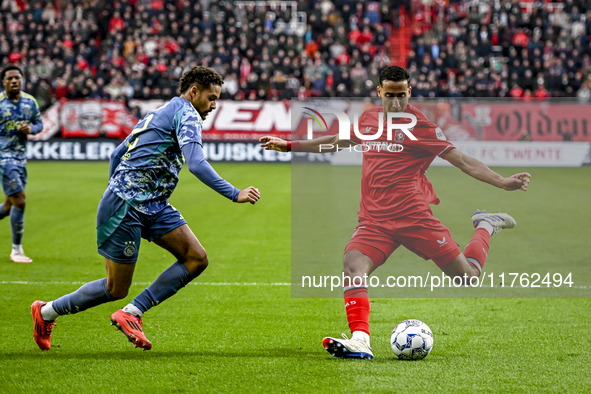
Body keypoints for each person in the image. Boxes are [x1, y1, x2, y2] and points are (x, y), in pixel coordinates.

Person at [260, 65, 531, 359]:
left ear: (409, 92)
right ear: (379, 92)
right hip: (374, 220)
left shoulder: (421, 126)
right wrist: (289, 145)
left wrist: (503, 182)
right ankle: (360, 340)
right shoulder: (368, 119)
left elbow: (463, 161)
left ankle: (486, 225)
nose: (396, 102)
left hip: (414, 218)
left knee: (467, 277)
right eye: (389, 95)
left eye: (402, 95)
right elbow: (338, 141)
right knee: (352, 266)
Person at [31, 66, 261, 351]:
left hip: (154, 205)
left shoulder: (160, 111)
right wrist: (234, 193)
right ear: (194, 92)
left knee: (196, 258)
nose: (214, 105)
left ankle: (132, 313)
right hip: (126, 206)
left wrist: (120, 186)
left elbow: (117, 153)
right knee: (115, 288)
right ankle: (45, 312)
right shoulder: (187, 113)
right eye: (211, 98)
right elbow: (197, 163)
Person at [0, 65, 44, 263]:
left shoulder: (30, 101)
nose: (14, 81)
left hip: (20, 158)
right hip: (3, 157)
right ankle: (16, 250)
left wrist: (32, 129)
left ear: (22, 79)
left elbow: (39, 123)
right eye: (10, 79)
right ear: (4, 82)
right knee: (20, 200)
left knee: (10, 206)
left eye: (17, 77)